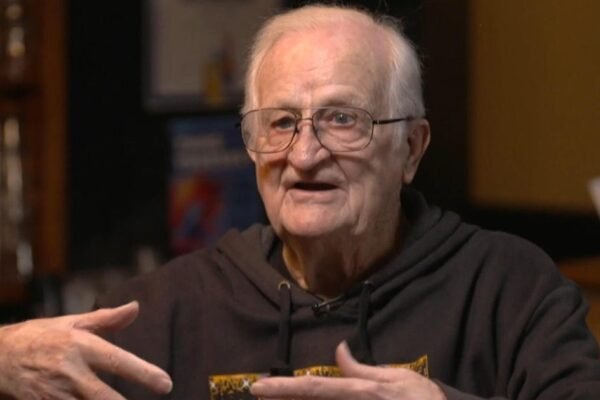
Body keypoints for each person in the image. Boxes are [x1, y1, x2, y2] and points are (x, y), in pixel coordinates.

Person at [1, 3, 600, 399]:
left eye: (342, 119)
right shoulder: (160, 311)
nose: (305, 155)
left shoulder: (510, 289)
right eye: (281, 122)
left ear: (411, 148)